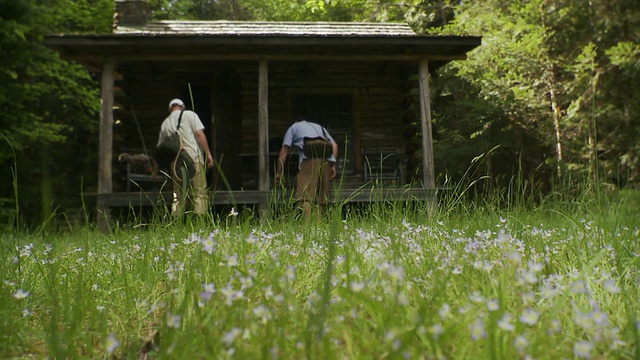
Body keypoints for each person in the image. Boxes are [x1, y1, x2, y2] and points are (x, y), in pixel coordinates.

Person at [152, 98, 214, 216]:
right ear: (183, 106)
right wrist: (208, 154)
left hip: (175, 162)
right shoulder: (190, 114)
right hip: (194, 157)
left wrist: (154, 171)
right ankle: (199, 222)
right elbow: (199, 133)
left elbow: (159, 150)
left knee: (178, 195)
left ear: (170, 108)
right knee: (199, 193)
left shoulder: (166, 123)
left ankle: (177, 221)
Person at [275, 120, 338, 219]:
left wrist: (279, 172)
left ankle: (307, 226)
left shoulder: (293, 128)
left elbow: (284, 151)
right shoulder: (320, 127)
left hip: (309, 160)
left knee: (305, 196)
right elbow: (334, 145)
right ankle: (318, 226)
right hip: (326, 160)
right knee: (320, 197)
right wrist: (333, 165)